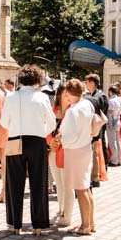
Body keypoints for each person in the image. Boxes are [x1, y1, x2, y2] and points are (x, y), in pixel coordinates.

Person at [1, 65, 56, 235]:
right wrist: (41, 130)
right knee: (38, 182)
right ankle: (38, 225)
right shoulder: (42, 97)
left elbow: (3, 122)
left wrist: (16, 127)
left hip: (15, 140)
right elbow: (52, 123)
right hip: (37, 141)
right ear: (37, 80)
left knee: (15, 182)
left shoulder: (10, 97)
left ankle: (16, 224)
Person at [56, 79, 105, 235]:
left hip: (75, 150)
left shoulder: (73, 110)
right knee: (86, 188)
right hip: (85, 147)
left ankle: (85, 226)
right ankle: (90, 222)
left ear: (70, 93)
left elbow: (68, 135)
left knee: (81, 189)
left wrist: (59, 138)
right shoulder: (87, 105)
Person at [49, 85, 74, 227]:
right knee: (58, 183)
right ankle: (61, 209)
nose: (67, 98)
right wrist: (50, 142)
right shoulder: (53, 111)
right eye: (64, 95)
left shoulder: (73, 111)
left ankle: (67, 214)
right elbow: (46, 128)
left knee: (67, 184)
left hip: (67, 152)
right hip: (53, 151)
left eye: (68, 95)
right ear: (58, 96)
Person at [106, 85, 121, 166]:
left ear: (110, 91)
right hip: (118, 120)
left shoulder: (111, 100)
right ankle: (119, 159)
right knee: (118, 141)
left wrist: (109, 123)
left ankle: (114, 160)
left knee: (112, 142)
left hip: (112, 121)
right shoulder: (120, 99)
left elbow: (111, 112)